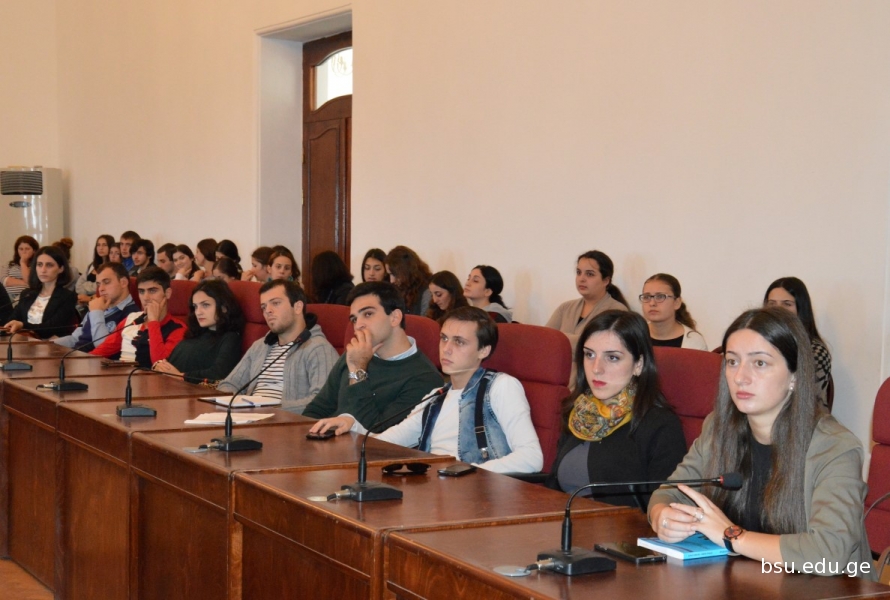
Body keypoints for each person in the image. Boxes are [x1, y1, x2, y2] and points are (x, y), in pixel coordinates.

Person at [648, 307, 871, 576]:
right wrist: (662, 516)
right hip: (747, 583)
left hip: (830, 590)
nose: (740, 377)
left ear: (795, 376)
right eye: (732, 361)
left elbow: (830, 553)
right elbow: (669, 493)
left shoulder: (835, 447)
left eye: (760, 363)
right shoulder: (718, 429)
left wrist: (731, 535)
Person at [311, 307, 543, 473]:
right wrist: (352, 424)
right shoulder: (435, 397)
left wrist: (469, 471)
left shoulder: (501, 387)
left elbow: (532, 457)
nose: (447, 349)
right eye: (444, 339)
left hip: (481, 497)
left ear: (484, 350)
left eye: (459, 342)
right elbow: (385, 444)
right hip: (435, 493)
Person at [545, 310, 686, 508]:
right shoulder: (578, 412)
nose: (596, 368)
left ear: (638, 364)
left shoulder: (660, 426)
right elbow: (554, 487)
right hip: (564, 520)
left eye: (612, 358)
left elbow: (665, 507)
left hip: (620, 527)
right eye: (589, 354)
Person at [302, 281, 444, 429]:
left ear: (395, 317)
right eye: (354, 319)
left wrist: (358, 371)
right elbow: (316, 410)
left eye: (368, 314)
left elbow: (374, 432)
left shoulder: (425, 378)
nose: (358, 325)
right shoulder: (354, 355)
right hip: (326, 440)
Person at [219, 279, 339, 413]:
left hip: (285, 422)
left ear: (298, 307)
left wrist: (268, 409)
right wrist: (233, 404)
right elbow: (229, 384)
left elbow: (322, 402)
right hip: (247, 417)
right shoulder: (260, 346)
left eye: (275, 303)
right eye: (263, 307)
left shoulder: (319, 349)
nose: (268, 311)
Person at [153, 280, 244, 384]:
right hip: (167, 384)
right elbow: (171, 362)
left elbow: (219, 374)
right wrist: (159, 366)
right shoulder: (195, 333)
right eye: (195, 306)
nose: (198, 312)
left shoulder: (230, 338)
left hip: (191, 391)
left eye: (205, 305)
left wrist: (182, 377)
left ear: (223, 307)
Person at [91, 266, 185, 367]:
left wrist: (153, 322)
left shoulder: (178, 329)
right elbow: (99, 352)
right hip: (120, 374)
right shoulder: (132, 319)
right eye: (141, 291)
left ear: (167, 293)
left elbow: (160, 365)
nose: (146, 297)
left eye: (152, 291)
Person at [764, 277, 832, 409]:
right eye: (772, 304)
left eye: (787, 304)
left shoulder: (815, 352)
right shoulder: (758, 346)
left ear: (801, 309)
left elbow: (801, 401)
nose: (778, 310)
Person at [545, 250, 629, 350]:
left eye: (589, 274)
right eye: (579, 272)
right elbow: (545, 338)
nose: (581, 279)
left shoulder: (617, 311)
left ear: (606, 281)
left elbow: (594, 346)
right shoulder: (565, 308)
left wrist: (560, 338)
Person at [55, 262, 139, 351]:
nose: (101, 289)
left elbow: (104, 347)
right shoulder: (97, 306)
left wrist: (97, 312)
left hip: (94, 358)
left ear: (123, 283)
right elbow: (74, 338)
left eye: (106, 282)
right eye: (98, 284)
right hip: (74, 355)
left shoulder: (132, 315)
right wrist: (49, 345)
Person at [3, 245, 79, 339]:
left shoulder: (67, 296)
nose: (43, 270)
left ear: (61, 269)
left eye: (49, 265)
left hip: (52, 345)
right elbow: (13, 319)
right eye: (39, 265)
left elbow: (51, 327)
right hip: (23, 342)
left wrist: (23, 325)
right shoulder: (27, 294)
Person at [641, 273, 708, 350]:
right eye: (646, 297)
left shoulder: (693, 342)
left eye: (660, 296)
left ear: (677, 302)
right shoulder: (634, 336)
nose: (652, 303)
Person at [385, 245, 432, 316]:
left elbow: (426, 321)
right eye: (389, 274)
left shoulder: (427, 292)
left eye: (394, 274)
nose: (392, 281)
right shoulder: (395, 292)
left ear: (406, 271)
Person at [75, 234, 115, 304]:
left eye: (104, 245)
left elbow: (101, 287)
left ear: (111, 247)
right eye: (98, 245)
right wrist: (84, 296)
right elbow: (78, 285)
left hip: (101, 302)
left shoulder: (112, 267)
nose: (101, 248)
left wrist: (85, 285)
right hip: (84, 301)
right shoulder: (92, 265)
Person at [2, 235, 39, 306]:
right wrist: (25, 283)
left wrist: (23, 263)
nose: (24, 252)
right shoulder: (9, 265)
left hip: (25, 297)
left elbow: (29, 281)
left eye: (27, 249)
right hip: (8, 295)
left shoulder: (37, 265)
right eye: (21, 249)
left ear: (34, 251)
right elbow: (5, 281)